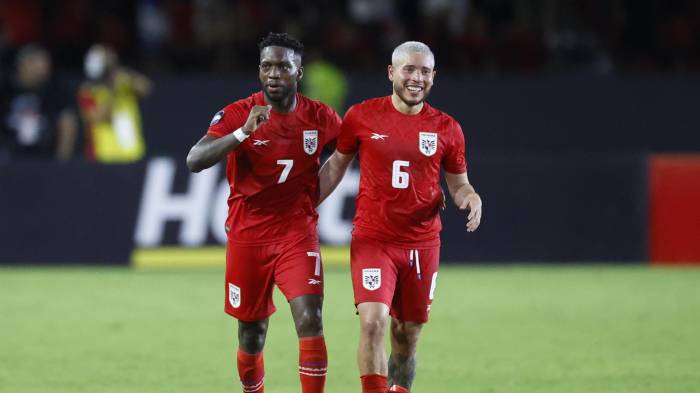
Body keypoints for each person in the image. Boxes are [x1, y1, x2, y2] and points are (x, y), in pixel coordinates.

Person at [318, 41, 483, 393]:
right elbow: (334, 167)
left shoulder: (447, 128)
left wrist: (470, 198)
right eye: (409, 69)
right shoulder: (361, 116)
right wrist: (303, 205)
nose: (416, 78)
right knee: (373, 323)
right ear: (391, 72)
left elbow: (459, 184)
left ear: (433, 78)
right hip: (373, 239)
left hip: (422, 244)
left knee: (406, 336)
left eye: (424, 71)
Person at [186, 32, 341, 393]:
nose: (274, 73)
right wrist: (241, 134)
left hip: (296, 234)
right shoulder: (240, 113)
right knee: (251, 333)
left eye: (283, 66)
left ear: (298, 72)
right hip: (248, 237)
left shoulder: (320, 117)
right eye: (267, 66)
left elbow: (354, 146)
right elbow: (194, 160)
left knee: (310, 317)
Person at [0, 44, 77, 162]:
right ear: (24, 65)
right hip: (8, 159)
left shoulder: (56, 91)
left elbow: (67, 123)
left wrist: (61, 163)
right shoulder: (6, 90)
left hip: (45, 161)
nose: (45, 68)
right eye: (39, 63)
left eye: (46, 64)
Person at [77, 44, 151, 163]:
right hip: (104, 156)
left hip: (131, 154)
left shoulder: (123, 83)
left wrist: (126, 74)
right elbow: (101, 117)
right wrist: (112, 90)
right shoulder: (88, 92)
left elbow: (146, 88)